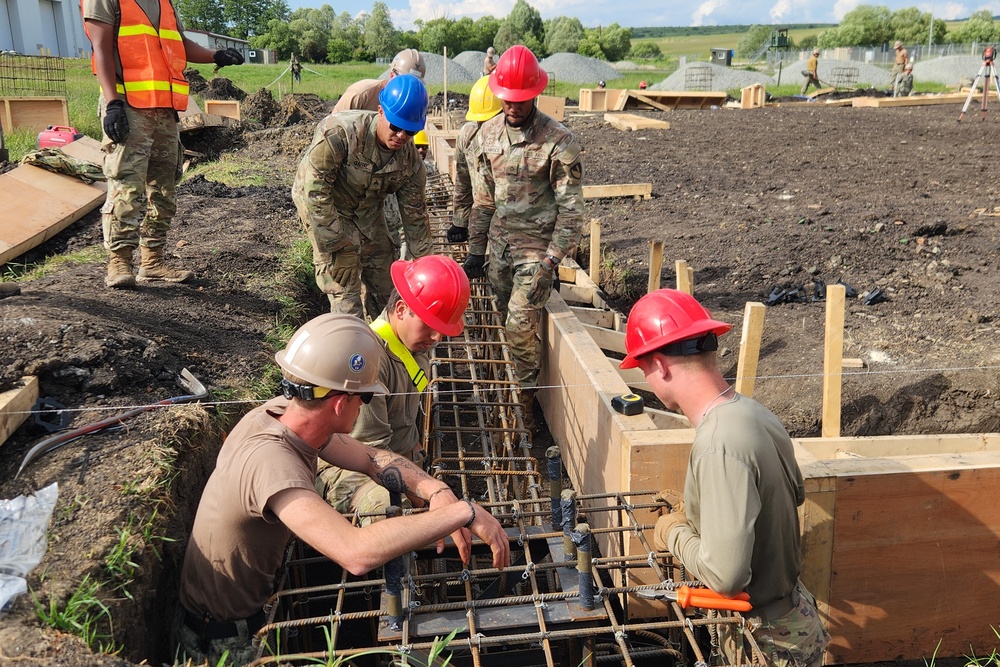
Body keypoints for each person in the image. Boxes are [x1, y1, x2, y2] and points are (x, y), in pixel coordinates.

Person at [174, 313, 509, 667]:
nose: (366, 405)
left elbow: (369, 456)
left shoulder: (277, 414)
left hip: (237, 616)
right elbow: (355, 553)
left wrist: (435, 489)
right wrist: (462, 512)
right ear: (339, 403)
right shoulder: (272, 463)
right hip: (220, 643)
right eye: (364, 398)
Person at [620, 289, 830, 666]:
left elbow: (726, 575)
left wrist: (675, 531)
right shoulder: (753, 412)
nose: (647, 379)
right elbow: (789, 495)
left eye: (643, 368)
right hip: (793, 616)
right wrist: (705, 514)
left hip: (765, 640)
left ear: (661, 365)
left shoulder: (717, 442)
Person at [462, 45, 584, 431]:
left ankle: (524, 409)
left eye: (521, 99)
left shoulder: (558, 141)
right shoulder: (487, 135)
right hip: (499, 248)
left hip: (537, 251)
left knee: (518, 322)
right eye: (507, 99)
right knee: (502, 317)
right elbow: (482, 201)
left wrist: (552, 261)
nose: (513, 107)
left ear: (535, 93)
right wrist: (474, 251)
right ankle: (509, 386)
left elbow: (572, 211)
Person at [83, 0, 243, 290]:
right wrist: (112, 102)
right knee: (127, 186)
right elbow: (101, 47)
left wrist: (215, 54)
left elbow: (179, 43)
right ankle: (119, 261)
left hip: (164, 110)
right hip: (128, 106)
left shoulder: (164, 2)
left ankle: (152, 261)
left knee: (165, 189)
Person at [316, 256, 470, 522]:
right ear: (400, 310)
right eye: (430, 326)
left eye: (442, 330)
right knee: (390, 515)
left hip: (395, 459)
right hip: (355, 468)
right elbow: (369, 451)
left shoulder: (413, 343)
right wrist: (419, 493)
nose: (437, 338)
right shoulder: (369, 362)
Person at [292, 74, 433, 319]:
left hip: (367, 211)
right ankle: (353, 346)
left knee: (389, 291)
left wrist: (425, 270)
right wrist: (338, 246)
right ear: (380, 111)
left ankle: (386, 350)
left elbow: (416, 219)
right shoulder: (340, 134)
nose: (401, 136)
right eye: (396, 126)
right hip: (327, 208)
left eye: (409, 131)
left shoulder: (410, 161)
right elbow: (314, 193)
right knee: (345, 294)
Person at [447, 75, 502, 247]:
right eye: (480, 121)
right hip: (481, 220)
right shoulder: (468, 136)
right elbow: (463, 181)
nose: (484, 127)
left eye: (488, 121)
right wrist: (460, 221)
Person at [333, 48, 426, 113]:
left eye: (415, 85)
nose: (410, 89)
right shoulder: (360, 94)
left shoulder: (410, 103)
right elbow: (333, 129)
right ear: (392, 75)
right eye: (405, 82)